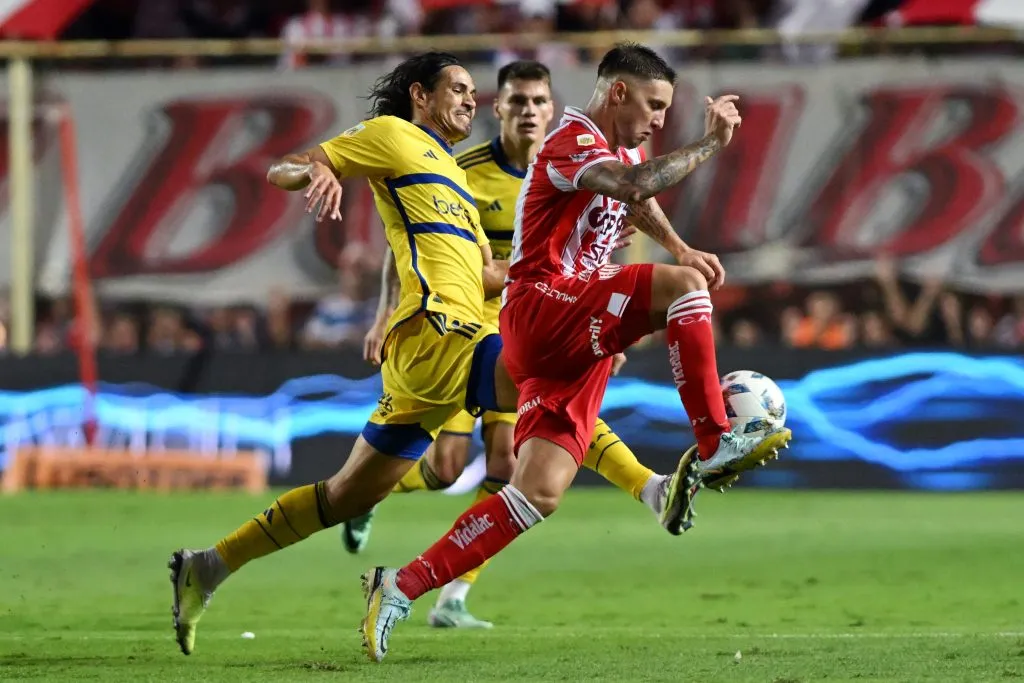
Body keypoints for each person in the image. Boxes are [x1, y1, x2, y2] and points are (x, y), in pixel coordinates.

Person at [167, 50, 694, 657]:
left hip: (438, 350)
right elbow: (288, 166)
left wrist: (580, 280)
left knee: (345, 495)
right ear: (420, 95)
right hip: (435, 331)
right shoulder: (394, 135)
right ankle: (651, 487)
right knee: (549, 381)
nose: (472, 99)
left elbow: (492, 278)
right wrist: (311, 173)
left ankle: (207, 565)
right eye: (459, 88)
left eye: (472, 91)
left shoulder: (455, 183)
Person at [358, 43, 792, 663]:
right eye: (654, 105)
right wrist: (710, 144)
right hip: (542, 306)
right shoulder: (572, 140)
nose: (659, 120)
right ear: (618, 92)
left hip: (567, 329)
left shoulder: (618, 150)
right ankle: (714, 439)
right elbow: (635, 183)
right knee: (683, 289)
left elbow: (636, 197)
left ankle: (399, 586)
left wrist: (680, 245)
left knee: (537, 493)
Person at [346, 60, 691, 630]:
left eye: (538, 101)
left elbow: (591, 244)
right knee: (445, 467)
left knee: (514, 459)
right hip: (467, 325)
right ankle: (366, 497)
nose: (529, 111)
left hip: (535, 321)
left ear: (552, 109)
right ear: (499, 108)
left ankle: (453, 595)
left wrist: (603, 320)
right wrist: (385, 311)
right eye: (518, 101)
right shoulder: (463, 170)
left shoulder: (589, 166)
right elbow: (405, 234)